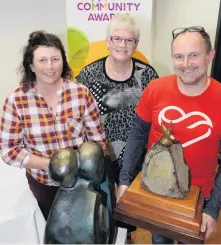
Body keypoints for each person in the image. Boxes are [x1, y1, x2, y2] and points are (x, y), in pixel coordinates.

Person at [117, 26, 221, 243]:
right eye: (179, 57)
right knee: (159, 241)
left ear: (209, 56)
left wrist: (213, 209)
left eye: (194, 55)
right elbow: (137, 136)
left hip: (199, 199)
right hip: (157, 192)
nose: (186, 64)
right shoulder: (155, 89)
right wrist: (125, 180)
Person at [0, 31, 109, 220]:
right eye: (42, 60)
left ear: (63, 62)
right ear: (31, 66)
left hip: (81, 183)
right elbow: (9, 151)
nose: (50, 66)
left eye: (55, 59)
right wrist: (51, 165)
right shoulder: (16, 100)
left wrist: (89, 165)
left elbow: (98, 140)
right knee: (54, 233)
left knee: (83, 230)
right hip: (43, 185)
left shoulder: (81, 93)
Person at [76, 14, 158, 240]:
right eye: (117, 38)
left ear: (136, 45)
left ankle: (127, 237)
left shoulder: (148, 76)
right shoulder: (88, 75)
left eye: (129, 40)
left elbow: (155, 118)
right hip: (99, 156)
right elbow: (77, 118)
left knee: (128, 211)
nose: (123, 45)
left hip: (135, 157)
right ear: (108, 41)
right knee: (102, 207)